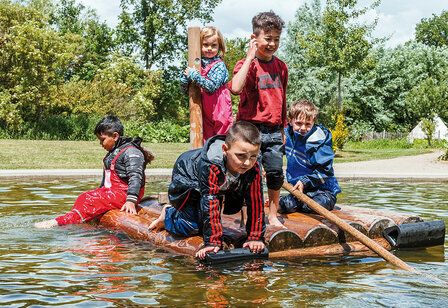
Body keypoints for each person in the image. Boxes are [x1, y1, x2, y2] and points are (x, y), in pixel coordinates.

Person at [149, 121, 265, 260]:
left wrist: (255, 237)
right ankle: (168, 214)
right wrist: (213, 242)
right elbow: (210, 199)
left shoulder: (254, 167)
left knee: (208, 222)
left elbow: (256, 200)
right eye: (240, 156)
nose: (247, 162)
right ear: (225, 149)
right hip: (188, 180)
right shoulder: (211, 164)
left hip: (219, 186)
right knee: (191, 226)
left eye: (253, 156)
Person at [34, 115, 154, 228]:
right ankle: (77, 220)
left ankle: (60, 222)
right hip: (112, 193)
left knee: (88, 200)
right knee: (84, 197)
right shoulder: (113, 153)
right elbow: (106, 183)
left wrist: (130, 201)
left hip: (125, 195)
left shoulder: (131, 152)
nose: (101, 144)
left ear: (115, 136)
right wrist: (99, 191)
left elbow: (135, 177)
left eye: (102, 140)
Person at [229, 11, 288, 227]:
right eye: (267, 38)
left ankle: (272, 215)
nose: (272, 44)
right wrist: (249, 57)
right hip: (249, 129)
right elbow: (235, 88)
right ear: (255, 37)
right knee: (249, 174)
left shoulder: (281, 66)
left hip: (273, 129)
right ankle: (248, 217)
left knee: (274, 172)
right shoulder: (247, 64)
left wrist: (283, 128)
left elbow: (283, 98)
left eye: (276, 39)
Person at [279, 100, 341, 214]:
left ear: (313, 122)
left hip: (323, 191)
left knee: (313, 207)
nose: (303, 128)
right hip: (298, 190)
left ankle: (303, 203)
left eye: (308, 124)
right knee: (286, 206)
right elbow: (276, 152)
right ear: (290, 121)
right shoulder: (286, 135)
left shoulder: (318, 139)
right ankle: (282, 201)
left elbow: (325, 171)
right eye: (298, 123)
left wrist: (305, 181)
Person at [180, 26, 233, 142]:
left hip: (220, 110)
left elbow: (211, 87)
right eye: (205, 45)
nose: (209, 48)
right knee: (206, 141)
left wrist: (194, 76)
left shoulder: (219, 66)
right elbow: (184, 91)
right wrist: (185, 79)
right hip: (204, 110)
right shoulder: (197, 65)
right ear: (199, 45)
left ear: (219, 47)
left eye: (214, 45)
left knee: (222, 140)